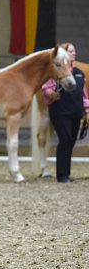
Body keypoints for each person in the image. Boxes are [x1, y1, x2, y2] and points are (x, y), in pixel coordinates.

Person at [41, 43, 89, 183]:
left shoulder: (79, 73)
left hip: (75, 111)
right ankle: (61, 175)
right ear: (64, 54)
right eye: (71, 51)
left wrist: (87, 110)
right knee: (65, 139)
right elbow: (46, 89)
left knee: (71, 141)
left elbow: (84, 94)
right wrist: (51, 94)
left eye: (74, 51)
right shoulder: (56, 71)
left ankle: (66, 173)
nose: (74, 53)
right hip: (60, 111)